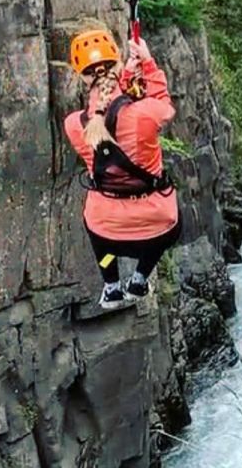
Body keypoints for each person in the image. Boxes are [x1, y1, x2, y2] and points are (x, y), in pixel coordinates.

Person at [63, 29, 181, 309]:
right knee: (172, 228)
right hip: (156, 229)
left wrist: (124, 75)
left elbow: (110, 110)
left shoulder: (73, 125)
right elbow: (161, 106)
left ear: (81, 76)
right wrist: (147, 64)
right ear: (115, 64)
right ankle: (140, 278)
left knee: (99, 240)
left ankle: (111, 285)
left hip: (108, 232)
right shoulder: (145, 114)